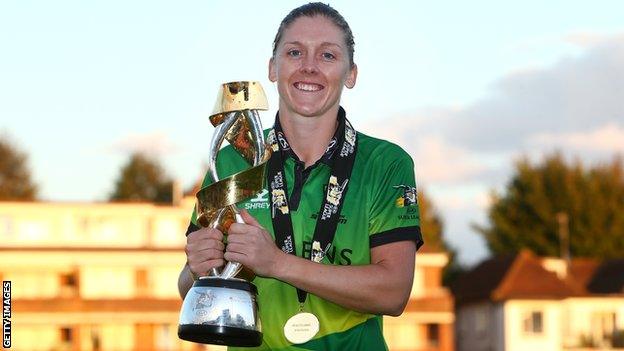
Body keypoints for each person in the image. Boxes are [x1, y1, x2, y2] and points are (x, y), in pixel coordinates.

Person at [178, 3, 423, 350]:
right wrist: (197, 267)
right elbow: (189, 287)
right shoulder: (234, 158)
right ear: (273, 67)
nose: (309, 66)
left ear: (351, 74)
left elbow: (394, 292)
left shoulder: (385, 163)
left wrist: (278, 263)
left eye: (327, 55)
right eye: (294, 52)